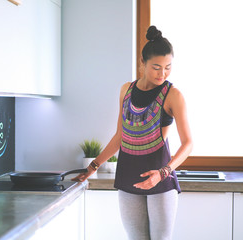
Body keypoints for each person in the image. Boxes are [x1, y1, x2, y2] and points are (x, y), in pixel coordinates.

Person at [72, 25, 193, 240]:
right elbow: (121, 136)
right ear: (142, 64)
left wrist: (163, 173)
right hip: (128, 176)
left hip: (160, 180)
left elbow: (188, 144)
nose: (162, 73)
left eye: (168, 67)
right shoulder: (126, 90)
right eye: (156, 67)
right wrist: (92, 167)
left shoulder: (173, 95)